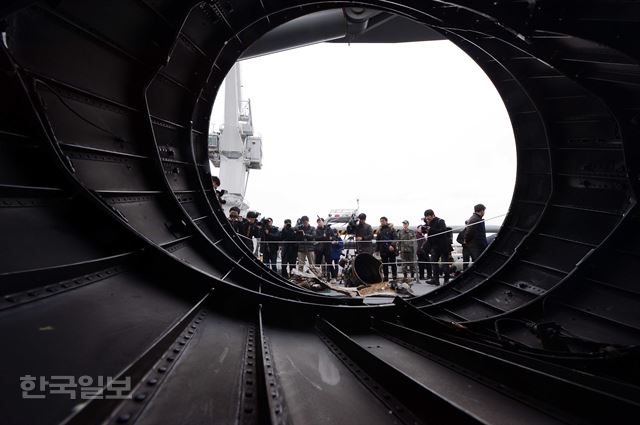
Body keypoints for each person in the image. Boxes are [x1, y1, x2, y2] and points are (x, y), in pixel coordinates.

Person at [423, 209, 450, 285]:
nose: (428, 219)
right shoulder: (429, 223)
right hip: (434, 246)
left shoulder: (440, 221)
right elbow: (428, 232)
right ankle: (436, 280)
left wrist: (431, 229)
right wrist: (425, 229)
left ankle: (446, 280)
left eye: (429, 218)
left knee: (445, 263)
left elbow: (443, 231)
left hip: (442, 246)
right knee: (434, 262)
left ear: (432, 215)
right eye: (426, 218)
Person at [376, 217, 397, 281]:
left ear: (386, 221)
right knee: (385, 264)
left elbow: (395, 238)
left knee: (393, 263)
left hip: (391, 249)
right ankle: (386, 277)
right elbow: (378, 240)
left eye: (383, 221)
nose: (381, 222)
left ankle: (394, 276)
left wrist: (392, 245)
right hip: (383, 249)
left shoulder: (392, 229)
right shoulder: (379, 230)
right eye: (381, 221)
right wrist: (377, 250)